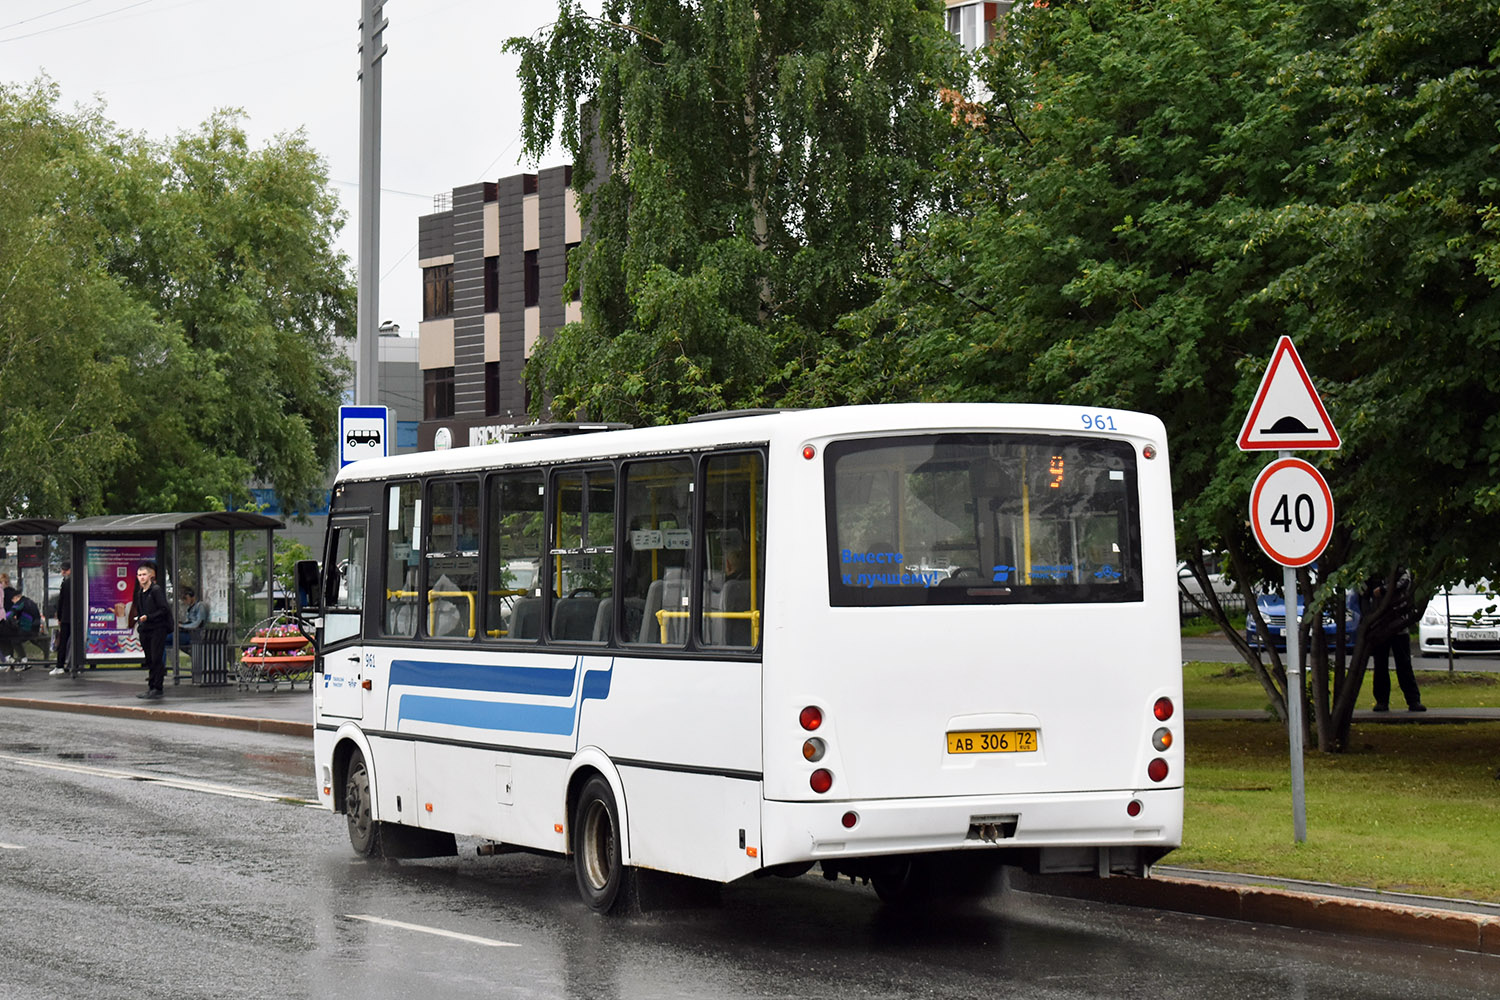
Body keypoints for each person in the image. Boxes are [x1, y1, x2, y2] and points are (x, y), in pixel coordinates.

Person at [1367, 571, 1425, 713]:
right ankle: (1382, 701)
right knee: (1380, 665)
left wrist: (1382, 590)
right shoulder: (1374, 570)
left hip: (1399, 624)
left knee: (1404, 664)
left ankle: (1413, 700)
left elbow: (1404, 583)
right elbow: (1366, 591)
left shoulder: (1401, 569)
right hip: (1380, 624)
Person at [132, 561, 171, 700]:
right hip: (146, 629)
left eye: (144, 575)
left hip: (157, 628)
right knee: (149, 659)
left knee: (156, 658)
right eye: (139, 575)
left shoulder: (155, 590)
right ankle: (151, 686)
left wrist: (149, 617)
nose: (141, 577)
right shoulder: (140, 593)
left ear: (150, 576)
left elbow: (164, 609)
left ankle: (157, 687)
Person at [0, 579, 43, 668]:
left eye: (13, 600)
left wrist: (5, 616)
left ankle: (21, 660)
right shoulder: (29, 601)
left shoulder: (20, 603)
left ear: (16, 597)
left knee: (12, 638)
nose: (12, 602)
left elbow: (9, 615)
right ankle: (11, 659)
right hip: (35, 627)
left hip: (28, 629)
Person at [49, 562, 74, 677]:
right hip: (77, 617)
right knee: (76, 640)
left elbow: (61, 601)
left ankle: (60, 666)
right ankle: (77, 665)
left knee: (63, 641)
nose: (62, 573)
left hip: (66, 617)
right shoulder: (79, 581)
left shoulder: (66, 583)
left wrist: (59, 616)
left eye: (65, 570)